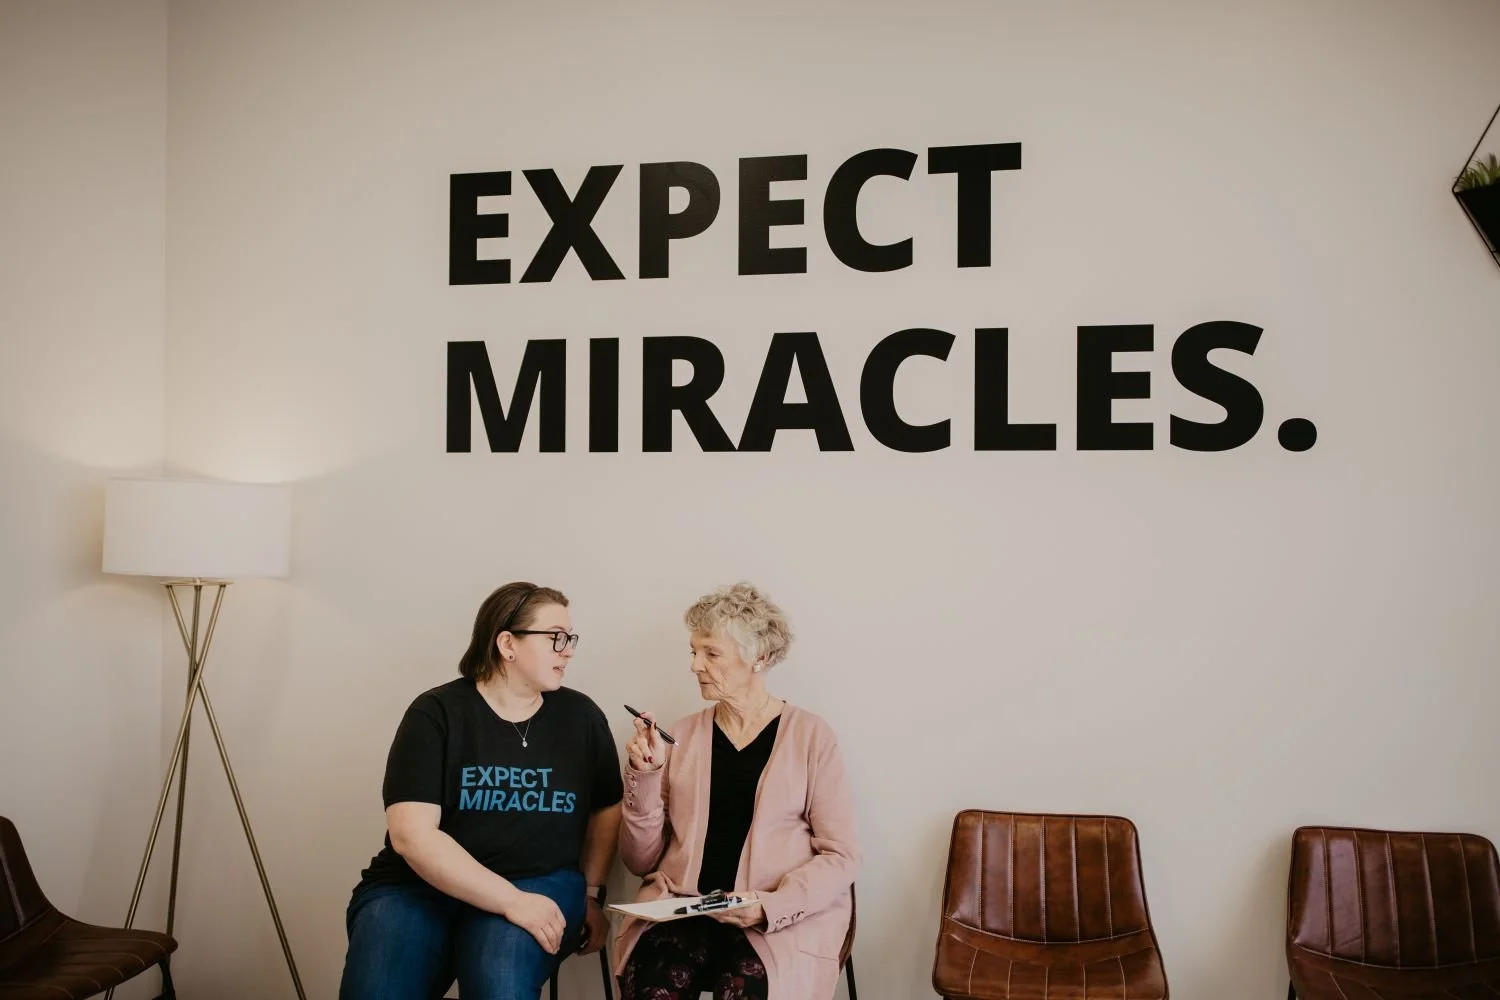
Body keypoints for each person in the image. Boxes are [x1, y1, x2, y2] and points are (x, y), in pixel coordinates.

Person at [338, 582, 623, 1000]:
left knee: (497, 978)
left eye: (569, 638)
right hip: (417, 887)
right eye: (555, 637)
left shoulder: (581, 717)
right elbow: (411, 836)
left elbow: (606, 806)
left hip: (539, 881)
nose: (568, 651)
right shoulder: (436, 713)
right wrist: (510, 900)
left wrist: (592, 896)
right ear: (507, 644)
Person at [614, 582, 859, 1000]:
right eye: (693, 651)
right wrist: (647, 774)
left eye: (711, 653)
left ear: (759, 658)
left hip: (776, 922)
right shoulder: (682, 736)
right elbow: (640, 861)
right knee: (654, 986)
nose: (695, 665)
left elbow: (841, 856)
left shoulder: (811, 737)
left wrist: (771, 906)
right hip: (684, 912)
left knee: (745, 988)